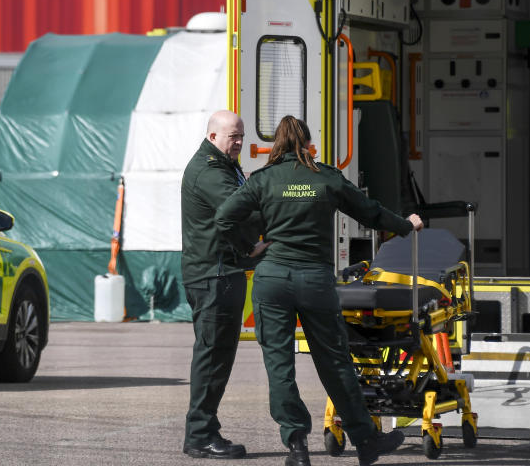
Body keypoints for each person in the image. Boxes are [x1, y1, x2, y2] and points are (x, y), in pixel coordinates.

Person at [215, 115, 423, 466]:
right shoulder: (325, 177)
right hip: (315, 281)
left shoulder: (262, 181)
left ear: (275, 145)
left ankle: (297, 447)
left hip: (273, 281)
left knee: (280, 367)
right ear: (308, 144)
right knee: (335, 362)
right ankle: (366, 440)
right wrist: (406, 225)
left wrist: (249, 247)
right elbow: (369, 212)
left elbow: (223, 217)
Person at [181, 110, 269, 459]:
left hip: (220, 271)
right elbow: (240, 210)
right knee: (213, 356)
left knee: (216, 355)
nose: (239, 143)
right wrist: (285, 207)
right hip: (214, 275)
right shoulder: (210, 171)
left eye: (242, 136)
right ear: (213, 136)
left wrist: (250, 247)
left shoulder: (221, 165)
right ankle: (200, 434)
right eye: (233, 136)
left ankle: (204, 430)